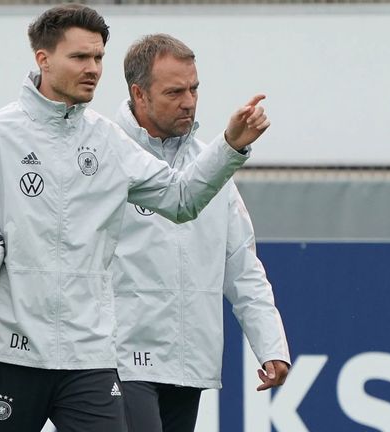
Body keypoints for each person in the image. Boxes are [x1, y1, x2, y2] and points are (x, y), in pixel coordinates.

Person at [0, 5, 270, 431]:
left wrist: (229, 147)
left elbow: (182, 198)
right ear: (43, 59)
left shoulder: (108, 141)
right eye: (79, 58)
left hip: (89, 356)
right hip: (9, 349)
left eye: (98, 58)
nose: (93, 68)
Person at [110, 34, 291, 432]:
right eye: (174, 91)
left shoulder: (212, 167)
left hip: (187, 362)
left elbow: (242, 266)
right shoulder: (101, 154)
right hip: (118, 358)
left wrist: (271, 345)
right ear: (139, 94)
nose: (189, 101)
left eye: (194, 88)